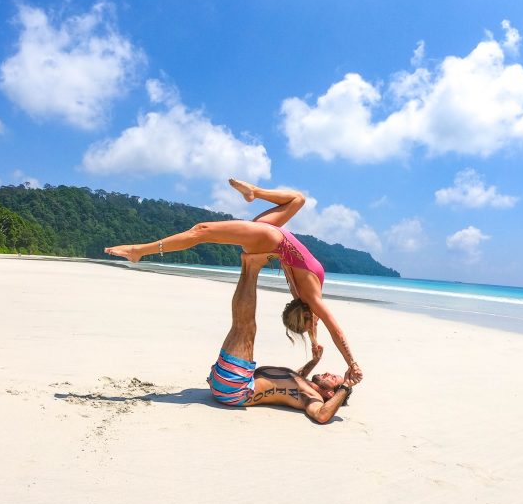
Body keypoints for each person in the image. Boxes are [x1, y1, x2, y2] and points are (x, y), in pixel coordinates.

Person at [105, 178, 363, 384]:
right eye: (310, 325)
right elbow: (334, 330)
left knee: (202, 230)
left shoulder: (308, 296)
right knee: (297, 200)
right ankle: (253, 192)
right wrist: (351, 362)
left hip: (270, 239)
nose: (314, 324)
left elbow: (320, 325)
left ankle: (139, 251)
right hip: (271, 236)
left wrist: (318, 345)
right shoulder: (309, 298)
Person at [207, 253, 359, 424]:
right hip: (230, 384)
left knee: (245, 326)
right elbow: (294, 378)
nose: (329, 373)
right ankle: (249, 265)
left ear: (331, 394)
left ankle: (251, 266)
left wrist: (347, 385)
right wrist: (314, 361)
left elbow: (321, 416)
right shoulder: (303, 386)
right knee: (241, 325)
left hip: (236, 388)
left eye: (333, 378)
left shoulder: (312, 398)